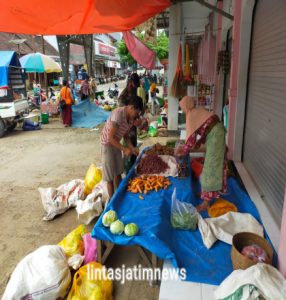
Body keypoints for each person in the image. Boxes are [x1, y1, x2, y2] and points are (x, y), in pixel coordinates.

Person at [175, 96, 227, 212]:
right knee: (212, 165)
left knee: (211, 168)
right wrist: (196, 144)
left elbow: (190, 139)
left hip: (216, 137)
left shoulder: (191, 114)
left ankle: (206, 203)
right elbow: (205, 129)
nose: (182, 109)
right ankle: (208, 194)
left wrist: (184, 152)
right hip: (216, 134)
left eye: (182, 107)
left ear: (185, 106)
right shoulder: (197, 111)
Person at [100, 96, 143, 198]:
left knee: (118, 172)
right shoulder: (118, 115)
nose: (137, 116)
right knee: (110, 176)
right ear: (131, 107)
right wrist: (124, 149)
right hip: (107, 144)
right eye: (136, 113)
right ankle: (112, 201)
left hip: (116, 143)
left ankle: (119, 196)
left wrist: (132, 148)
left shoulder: (131, 118)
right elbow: (110, 138)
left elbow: (125, 135)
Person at [118, 73, 141, 173]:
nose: (136, 87)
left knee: (134, 149)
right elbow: (122, 115)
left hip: (133, 128)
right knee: (128, 151)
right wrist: (133, 121)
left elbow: (136, 108)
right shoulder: (123, 96)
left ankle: (132, 171)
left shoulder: (134, 91)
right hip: (126, 128)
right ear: (130, 82)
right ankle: (128, 173)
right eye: (135, 84)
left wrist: (139, 119)